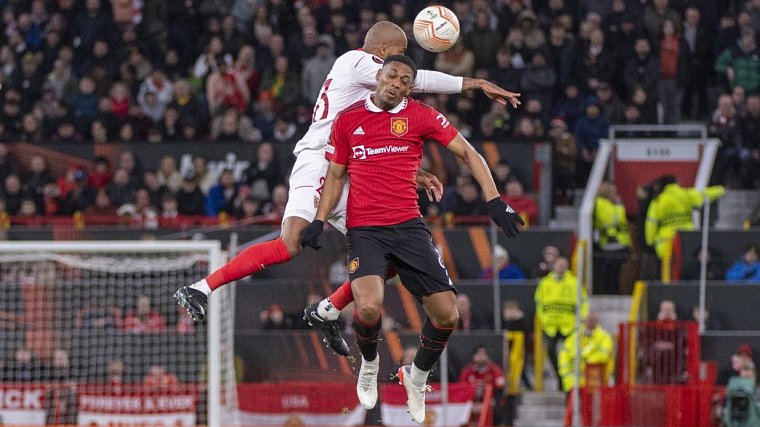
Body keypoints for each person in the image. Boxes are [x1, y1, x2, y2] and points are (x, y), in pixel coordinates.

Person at [175, 21, 520, 354]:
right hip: (321, 161)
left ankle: (327, 310)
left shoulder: (361, 80)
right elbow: (417, 80)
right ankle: (200, 288)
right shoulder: (356, 61)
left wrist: (412, 175)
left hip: (348, 166)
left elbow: (370, 139)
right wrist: (474, 83)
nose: (400, 65)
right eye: (398, 53)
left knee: (394, 248)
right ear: (383, 51)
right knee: (291, 242)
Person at [297, 55, 523, 423]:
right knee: (368, 307)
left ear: (409, 86)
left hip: (409, 230)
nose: (397, 83)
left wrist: (495, 200)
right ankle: (369, 364)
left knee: (447, 315)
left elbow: (468, 152)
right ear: (379, 76)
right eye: (392, 75)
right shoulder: (349, 119)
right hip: (365, 230)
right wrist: (319, 221)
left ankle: (416, 376)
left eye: (405, 80)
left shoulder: (421, 116)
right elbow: (336, 175)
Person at [534, 256, 588, 389]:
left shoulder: (574, 283)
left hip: (568, 325)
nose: (561, 267)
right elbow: (539, 302)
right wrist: (544, 319)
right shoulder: (545, 283)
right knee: (551, 351)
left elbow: (584, 302)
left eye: (564, 265)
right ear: (554, 266)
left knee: (570, 353)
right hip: (550, 326)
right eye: (559, 264)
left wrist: (580, 319)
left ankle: (567, 379)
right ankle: (559, 376)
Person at [644, 175, 725, 261]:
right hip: (687, 240)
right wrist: (721, 190)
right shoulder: (685, 194)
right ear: (675, 183)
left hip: (665, 244)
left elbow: (651, 223)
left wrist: (650, 240)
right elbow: (704, 194)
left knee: (668, 272)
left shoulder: (657, 201)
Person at [557, 312, 613, 393]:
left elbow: (604, 355)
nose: (591, 322)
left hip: (594, 383)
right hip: (572, 384)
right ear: (584, 321)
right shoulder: (574, 337)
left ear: (597, 322)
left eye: (593, 320)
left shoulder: (604, 337)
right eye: (589, 320)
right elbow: (564, 357)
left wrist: (586, 359)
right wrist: (566, 376)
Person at [593, 182, 631, 294]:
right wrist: (619, 205)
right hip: (612, 245)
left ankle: (612, 293)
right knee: (611, 275)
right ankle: (610, 294)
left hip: (615, 244)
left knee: (614, 274)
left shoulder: (607, 204)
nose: (616, 194)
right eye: (614, 192)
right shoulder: (602, 204)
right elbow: (616, 221)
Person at [459, 346, 506, 426]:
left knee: (497, 410)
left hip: (491, 402)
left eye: (483, 354)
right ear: (474, 356)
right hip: (471, 402)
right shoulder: (466, 371)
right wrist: (471, 404)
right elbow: (461, 390)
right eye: (479, 354)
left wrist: (491, 402)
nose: (481, 357)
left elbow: (500, 389)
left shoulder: (495, 370)